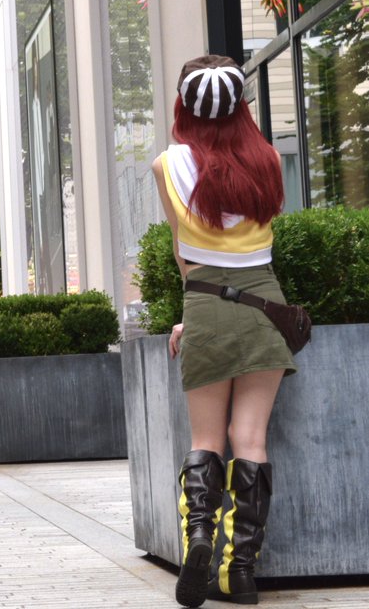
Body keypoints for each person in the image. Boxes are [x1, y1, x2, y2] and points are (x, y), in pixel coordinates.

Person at [151, 55, 297, 608]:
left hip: (207, 304)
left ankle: (199, 538)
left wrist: (192, 314)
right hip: (266, 304)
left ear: (184, 104)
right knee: (250, 439)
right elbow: (257, 245)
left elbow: (185, 256)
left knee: (205, 440)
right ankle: (240, 574)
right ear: (241, 105)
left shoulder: (167, 165)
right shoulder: (267, 159)